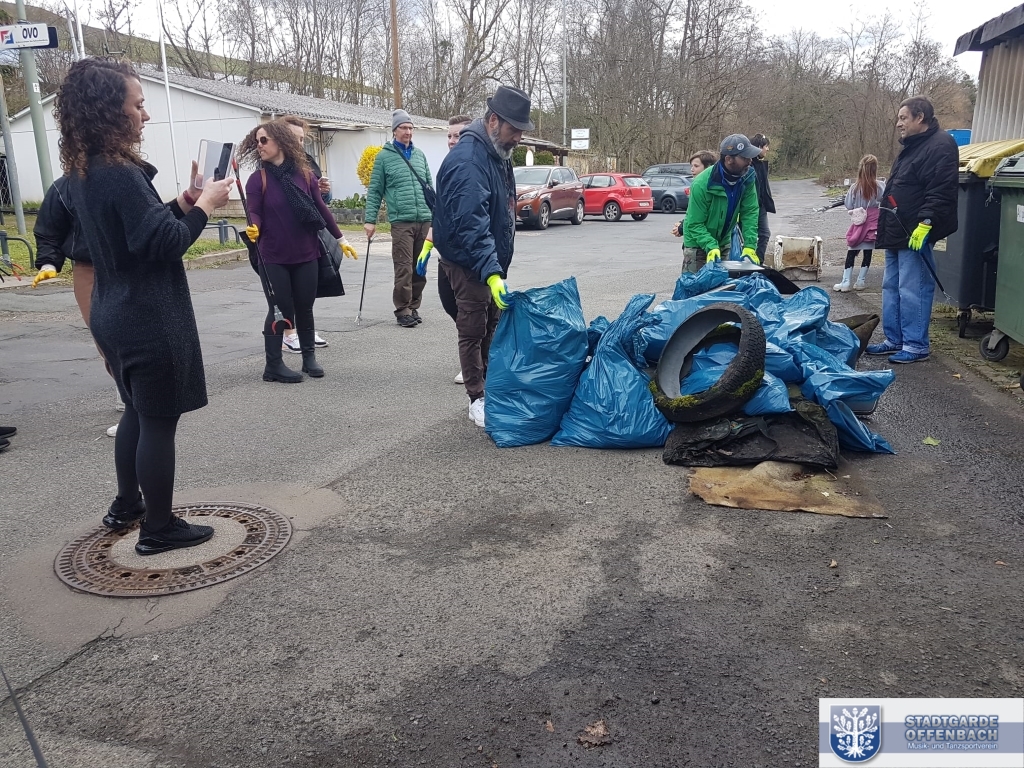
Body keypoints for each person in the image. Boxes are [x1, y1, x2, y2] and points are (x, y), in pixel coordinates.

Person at [55, 58, 234, 554]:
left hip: (113, 311)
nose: (145, 115)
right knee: (158, 423)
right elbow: (164, 244)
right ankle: (158, 528)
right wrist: (207, 206)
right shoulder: (119, 173)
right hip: (147, 316)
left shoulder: (85, 170)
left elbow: (140, 229)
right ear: (109, 110)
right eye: (138, 104)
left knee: (136, 412)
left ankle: (127, 503)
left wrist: (187, 199)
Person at [433, 86, 531, 428]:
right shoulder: (469, 161)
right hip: (467, 261)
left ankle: (490, 385)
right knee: (473, 328)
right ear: (493, 121)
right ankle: (476, 397)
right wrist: (491, 272)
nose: (518, 137)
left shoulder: (497, 152)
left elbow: (499, 210)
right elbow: (470, 224)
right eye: (514, 129)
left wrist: (496, 267)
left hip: (488, 260)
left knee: (491, 323)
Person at [238, 119, 348, 382]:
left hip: (306, 253)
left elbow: (320, 208)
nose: (259, 145)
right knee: (280, 308)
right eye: (256, 141)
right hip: (273, 255)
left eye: (264, 140)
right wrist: (254, 227)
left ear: (280, 141)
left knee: (305, 307)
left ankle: (309, 359)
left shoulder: (305, 175)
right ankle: (273, 365)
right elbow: (254, 211)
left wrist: (341, 238)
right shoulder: (257, 179)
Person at [867, 96, 958, 364]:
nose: (898, 124)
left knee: (913, 288)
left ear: (920, 117)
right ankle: (895, 339)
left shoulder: (940, 145)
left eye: (903, 118)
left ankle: (916, 345)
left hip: (914, 230)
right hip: (897, 227)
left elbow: (941, 189)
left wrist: (926, 223)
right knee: (891, 286)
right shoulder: (912, 146)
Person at [31, 173, 124, 437]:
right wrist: (48, 263)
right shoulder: (65, 187)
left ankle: (137, 403)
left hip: (126, 264)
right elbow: (49, 229)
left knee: (130, 335)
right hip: (88, 268)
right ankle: (128, 394)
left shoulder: (126, 176)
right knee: (105, 337)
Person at [279, 115, 357, 355]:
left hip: (308, 234)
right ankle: (288, 334)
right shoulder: (271, 166)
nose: (298, 143)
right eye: (293, 138)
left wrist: (324, 191)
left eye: (302, 139)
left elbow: (320, 201)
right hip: (281, 237)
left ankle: (305, 329)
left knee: (306, 289)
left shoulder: (307, 162)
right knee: (284, 290)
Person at [364, 109, 434, 328]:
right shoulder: (384, 157)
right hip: (402, 221)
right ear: (394, 130)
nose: (408, 132)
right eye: (404, 128)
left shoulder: (420, 155)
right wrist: (370, 220)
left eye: (411, 128)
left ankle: (414, 306)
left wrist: (436, 215)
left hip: (424, 219)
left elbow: (429, 187)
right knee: (404, 267)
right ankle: (402, 309)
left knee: (420, 267)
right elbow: (375, 190)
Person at [416, 114, 473, 383]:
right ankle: (478, 355)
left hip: (471, 254)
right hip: (447, 252)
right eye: (449, 136)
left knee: (471, 313)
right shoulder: (448, 167)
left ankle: (475, 363)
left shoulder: (474, 167)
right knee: (450, 303)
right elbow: (440, 213)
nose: (451, 141)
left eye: (457, 135)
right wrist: (427, 246)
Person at [682, 134, 761, 273]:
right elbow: (694, 224)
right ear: (729, 159)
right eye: (744, 157)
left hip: (723, 241)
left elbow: (750, 212)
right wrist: (710, 245)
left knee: (722, 284)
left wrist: (750, 245)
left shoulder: (747, 178)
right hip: (697, 244)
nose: (750, 161)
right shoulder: (702, 184)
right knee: (695, 284)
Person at [835, 154, 884, 292]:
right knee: (868, 252)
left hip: (859, 224)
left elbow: (849, 205)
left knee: (852, 250)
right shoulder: (880, 186)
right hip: (873, 224)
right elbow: (885, 200)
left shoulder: (855, 187)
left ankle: (845, 282)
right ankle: (860, 281)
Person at [671, 150, 716, 238]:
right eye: (691, 166)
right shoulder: (697, 184)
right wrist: (682, 224)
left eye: (696, 166)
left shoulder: (706, 188)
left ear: (708, 168)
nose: (692, 169)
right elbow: (694, 213)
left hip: (702, 239)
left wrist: (682, 227)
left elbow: (701, 218)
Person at [750, 134, 775, 260]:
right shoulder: (747, 165)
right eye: (766, 146)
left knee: (765, 234)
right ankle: (745, 263)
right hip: (748, 208)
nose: (768, 149)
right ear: (759, 147)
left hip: (761, 206)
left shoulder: (761, 165)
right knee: (747, 237)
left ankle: (758, 263)